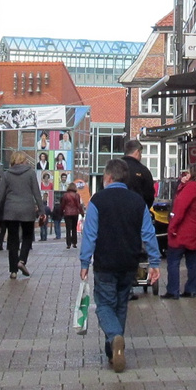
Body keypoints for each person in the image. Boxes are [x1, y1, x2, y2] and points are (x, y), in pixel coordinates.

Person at [80, 157, 161, 372]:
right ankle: (113, 351)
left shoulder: (98, 201)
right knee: (121, 305)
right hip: (129, 262)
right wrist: (154, 261)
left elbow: (90, 234)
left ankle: (115, 337)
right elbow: (148, 233)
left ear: (107, 177)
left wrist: (84, 261)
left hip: (105, 262)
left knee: (105, 305)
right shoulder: (137, 202)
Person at [0, 149, 42, 278]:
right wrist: (42, 210)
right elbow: (37, 193)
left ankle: (13, 270)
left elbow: (0, 195)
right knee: (27, 236)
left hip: (10, 210)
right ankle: (22, 260)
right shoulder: (30, 173)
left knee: (12, 240)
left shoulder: (7, 175)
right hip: (27, 210)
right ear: (23, 160)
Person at [164, 169, 196, 299]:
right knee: (192, 261)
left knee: (173, 261)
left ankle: (172, 290)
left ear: (193, 175)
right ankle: (191, 289)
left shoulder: (191, 188)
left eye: (186, 174)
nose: (184, 176)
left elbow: (180, 208)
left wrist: (172, 227)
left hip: (182, 231)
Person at [119, 139, 156, 206]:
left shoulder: (113, 167)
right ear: (137, 152)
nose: (141, 156)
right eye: (141, 153)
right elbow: (149, 196)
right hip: (136, 211)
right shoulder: (143, 170)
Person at [61, 183, 83, 247]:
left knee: (68, 229)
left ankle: (68, 244)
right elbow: (78, 205)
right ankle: (74, 243)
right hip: (75, 213)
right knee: (74, 228)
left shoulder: (65, 195)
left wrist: (61, 212)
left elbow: (63, 205)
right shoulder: (77, 195)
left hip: (67, 213)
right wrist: (81, 212)